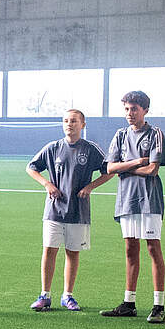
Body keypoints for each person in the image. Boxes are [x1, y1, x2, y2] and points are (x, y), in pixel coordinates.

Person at [24, 109, 107, 311]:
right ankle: (45, 295)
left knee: (73, 253)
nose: (70, 124)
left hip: (78, 211)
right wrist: (46, 184)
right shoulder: (53, 148)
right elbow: (31, 167)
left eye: (74, 121)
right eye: (66, 121)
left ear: (83, 125)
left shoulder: (90, 149)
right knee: (49, 250)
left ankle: (68, 296)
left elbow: (108, 170)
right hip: (54, 210)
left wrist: (90, 187)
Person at [99, 90, 165, 323]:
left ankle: (158, 305)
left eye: (134, 109)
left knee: (152, 248)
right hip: (127, 199)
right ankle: (129, 302)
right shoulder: (120, 135)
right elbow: (109, 168)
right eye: (127, 109)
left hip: (149, 199)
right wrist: (137, 161)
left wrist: (124, 167)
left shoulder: (156, 133)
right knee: (130, 249)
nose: (129, 113)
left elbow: (152, 170)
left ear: (145, 110)